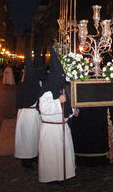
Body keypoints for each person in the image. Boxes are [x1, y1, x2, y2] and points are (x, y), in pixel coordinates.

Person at [38, 47, 77, 183]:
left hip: (62, 127)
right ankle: (52, 177)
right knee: (52, 155)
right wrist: (58, 101)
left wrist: (72, 111)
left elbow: (65, 107)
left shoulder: (60, 88)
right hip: (51, 130)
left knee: (63, 153)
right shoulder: (47, 91)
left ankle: (64, 175)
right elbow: (44, 109)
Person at [14, 55, 42, 169]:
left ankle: (29, 158)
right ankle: (29, 159)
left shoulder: (22, 85)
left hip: (24, 114)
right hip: (31, 114)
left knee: (27, 137)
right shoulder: (36, 84)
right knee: (31, 137)